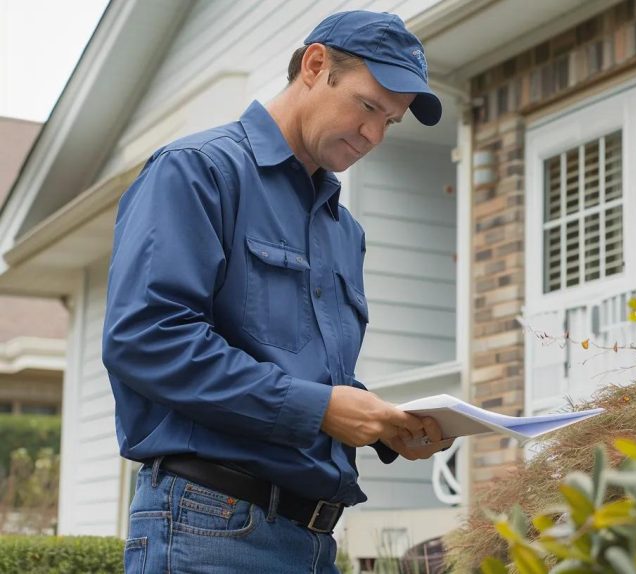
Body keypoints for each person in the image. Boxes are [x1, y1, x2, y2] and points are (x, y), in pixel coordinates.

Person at [103, 10, 449, 573]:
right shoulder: (197, 171)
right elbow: (147, 339)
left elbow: (310, 377)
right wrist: (320, 409)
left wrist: (386, 425)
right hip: (208, 529)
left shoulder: (345, 231)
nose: (374, 135)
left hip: (312, 540)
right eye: (368, 106)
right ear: (316, 66)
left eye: (392, 121)